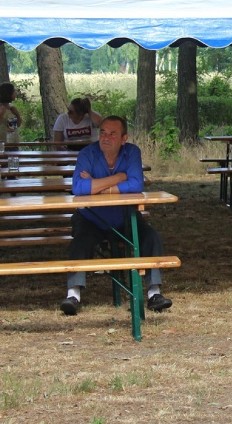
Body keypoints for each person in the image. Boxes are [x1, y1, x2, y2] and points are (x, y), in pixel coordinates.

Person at [60, 116, 173, 316]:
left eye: (112, 134)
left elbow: (136, 184)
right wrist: (119, 178)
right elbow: (78, 188)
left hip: (124, 217)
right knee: (80, 242)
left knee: (151, 237)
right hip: (91, 217)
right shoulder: (87, 153)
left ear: (124, 138)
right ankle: (73, 295)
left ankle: (154, 293)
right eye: (103, 132)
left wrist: (96, 185)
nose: (106, 137)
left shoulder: (132, 153)